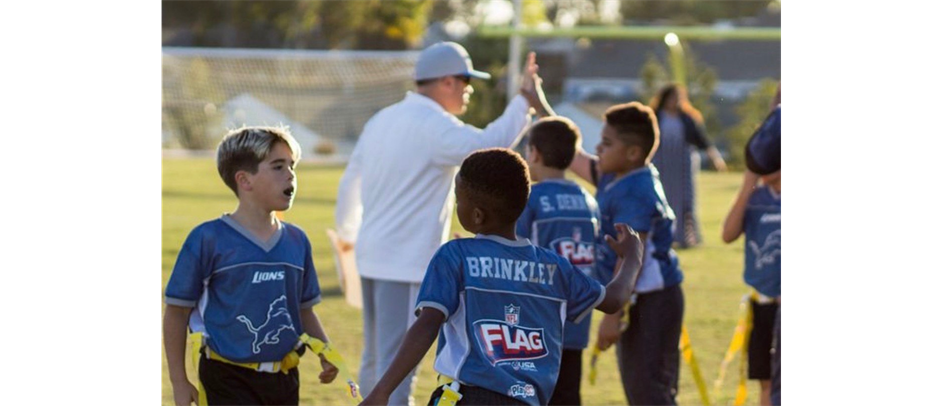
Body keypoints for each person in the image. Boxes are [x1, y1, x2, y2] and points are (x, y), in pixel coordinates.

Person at [335, 41, 554, 405]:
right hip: (404, 263)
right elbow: (490, 145)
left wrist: (347, 234)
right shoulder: (432, 125)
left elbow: (349, 182)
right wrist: (523, 100)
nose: (469, 90)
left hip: (371, 256)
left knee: (375, 361)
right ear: (447, 82)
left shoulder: (382, 119)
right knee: (395, 368)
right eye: (466, 81)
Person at [359, 148, 644, 406]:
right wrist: (632, 258)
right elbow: (614, 299)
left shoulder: (456, 255)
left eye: (459, 199)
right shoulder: (556, 267)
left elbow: (426, 325)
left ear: (478, 215)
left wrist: (382, 391)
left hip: (465, 397)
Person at [164, 126, 339, 406]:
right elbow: (176, 312)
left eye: (292, 166)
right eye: (278, 166)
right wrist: (178, 380)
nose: (291, 174)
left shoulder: (297, 241)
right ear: (245, 181)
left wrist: (325, 350)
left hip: (284, 378)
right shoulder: (208, 239)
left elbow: (304, 309)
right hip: (226, 378)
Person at [568, 102, 685, 406]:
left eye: (607, 143)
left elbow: (633, 254)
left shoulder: (636, 188)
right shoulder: (616, 174)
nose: (598, 149)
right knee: (645, 389)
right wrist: (538, 105)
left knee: (649, 391)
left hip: (651, 300)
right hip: (636, 297)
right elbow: (571, 155)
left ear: (633, 153)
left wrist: (613, 314)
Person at [514, 117, 600, 406]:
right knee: (567, 396)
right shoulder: (589, 200)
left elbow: (513, 253)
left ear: (534, 153)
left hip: (535, 325)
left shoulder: (530, 199)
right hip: (576, 321)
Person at [721, 166, 782, 406]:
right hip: (762, 302)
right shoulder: (755, 198)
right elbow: (728, 234)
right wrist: (747, 186)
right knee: (765, 379)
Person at [649, 84, 727, 248]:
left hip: (682, 166)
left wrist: (714, 157)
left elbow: (701, 140)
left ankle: (686, 238)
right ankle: (662, 236)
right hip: (662, 165)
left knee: (686, 199)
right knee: (661, 197)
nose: (675, 101)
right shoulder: (656, 117)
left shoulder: (686, 118)